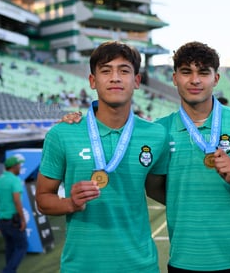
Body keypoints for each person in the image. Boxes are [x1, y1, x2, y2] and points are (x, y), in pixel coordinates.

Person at [60, 41, 230, 272]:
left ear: (216, 79)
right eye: (186, 72)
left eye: (203, 72)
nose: (195, 80)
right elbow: (153, 187)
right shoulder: (158, 131)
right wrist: (79, 121)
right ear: (174, 78)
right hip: (184, 261)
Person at [35, 41, 170, 272]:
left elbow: (161, 190)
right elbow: (43, 198)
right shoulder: (63, 133)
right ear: (92, 81)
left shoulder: (156, 134)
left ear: (137, 81)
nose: (115, 77)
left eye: (124, 70)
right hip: (82, 266)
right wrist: (70, 203)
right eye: (106, 70)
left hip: (140, 266)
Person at [0, 154, 28, 273]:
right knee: (22, 246)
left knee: (10, 246)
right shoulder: (15, 180)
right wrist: (23, 220)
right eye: (19, 165)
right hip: (13, 220)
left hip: (1, 219)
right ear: (14, 167)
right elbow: (16, 200)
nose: (20, 167)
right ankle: (8, 271)